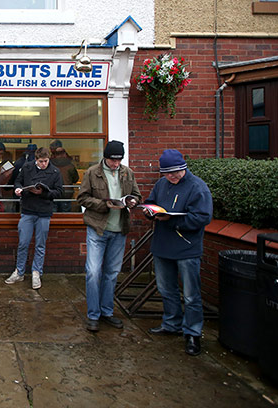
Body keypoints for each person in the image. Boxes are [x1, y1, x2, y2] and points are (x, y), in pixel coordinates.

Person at [145, 149, 213, 357]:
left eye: (174, 172)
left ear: (183, 167)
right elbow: (151, 201)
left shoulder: (197, 187)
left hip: (187, 248)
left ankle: (193, 333)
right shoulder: (161, 184)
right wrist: (150, 212)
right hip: (163, 245)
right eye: (166, 173)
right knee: (166, 289)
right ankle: (171, 323)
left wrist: (173, 220)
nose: (171, 177)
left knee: (191, 295)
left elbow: (203, 217)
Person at [77, 141, 141, 332]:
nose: (116, 163)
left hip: (119, 229)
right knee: (93, 272)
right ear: (105, 157)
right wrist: (104, 204)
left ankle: (107, 312)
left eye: (119, 160)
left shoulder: (127, 172)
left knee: (112, 274)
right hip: (98, 228)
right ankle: (93, 315)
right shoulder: (92, 172)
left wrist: (132, 201)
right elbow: (82, 198)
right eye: (113, 160)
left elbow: (137, 195)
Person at [5, 147, 63, 290]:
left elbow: (60, 192)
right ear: (35, 159)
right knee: (23, 243)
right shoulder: (27, 167)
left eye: (46, 161)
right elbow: (18, 182)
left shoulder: (55, 172)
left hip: (44, 212)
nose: (44, 164)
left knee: (40, 245)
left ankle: (36, 273)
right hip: (27, 210)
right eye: (41, 161)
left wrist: (43, 193)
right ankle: (19, 272)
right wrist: (18, 189)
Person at [49, 140, 80, 212]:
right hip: (66, 194)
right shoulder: (70, 166)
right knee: (65, 216)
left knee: (53, 218)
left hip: (54, 193)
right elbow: (75, 179)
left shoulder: (50, 165)